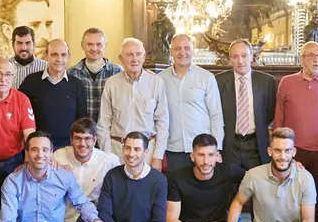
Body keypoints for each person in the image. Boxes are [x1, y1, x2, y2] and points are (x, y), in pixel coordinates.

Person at [0, 132, 108, 222]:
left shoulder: (64, 176)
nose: (40, 155)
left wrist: (95, 219)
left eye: (45, 150)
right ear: (26, 152)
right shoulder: (13, 181)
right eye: (34, 150)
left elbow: (83, 203)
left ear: (51, 153)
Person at [224, 128, 318, 222]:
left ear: (294, 152)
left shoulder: (305, 178)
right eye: (278, 150)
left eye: (287, 151)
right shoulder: (253, 175)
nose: (282, 156)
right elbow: (238, 202)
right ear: (269, 151)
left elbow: (308, 218)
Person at [160, 134, 251, 222]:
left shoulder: (229, 171)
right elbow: (172, 221)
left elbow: (253, 178)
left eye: (211, 155)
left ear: (217, 156)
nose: (206, 161)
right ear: (192, 156)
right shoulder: (177, 178)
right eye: (201, 155)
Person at [274, 41, 318, 178]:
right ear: (301, 59)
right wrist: (277, 146)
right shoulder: (286, 82)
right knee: (292, 193)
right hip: (293, 149)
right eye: (311, 56)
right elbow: (279, 117)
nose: (316, 60)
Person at [97, 38, 169, 170]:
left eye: (138, 54)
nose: (134, 59)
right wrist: (107, 157)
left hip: (147, 151)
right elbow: (103, 123)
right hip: (118, 151)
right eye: (129, 55)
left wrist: (157, 156)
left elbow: (163, 122)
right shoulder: (112, 83)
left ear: (144, 56)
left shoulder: (156, 82)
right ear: (120, 59)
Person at [158, 34, 224, 172]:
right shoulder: (159, 80)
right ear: (171, 52)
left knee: (204, 191)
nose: (182, 52)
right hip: (173, 151)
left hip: (203, 151)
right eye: (177, 49)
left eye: (186, 48)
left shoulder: (207, 77)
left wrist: (216, 150)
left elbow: (216, 116)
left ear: (192, 51)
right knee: (177, 192)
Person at [90, 132, 167, 222]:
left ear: (146, 152)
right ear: (123, 149)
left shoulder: (159, 180)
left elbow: (159, 219)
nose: (131, 154)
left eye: (137, 149)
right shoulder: (112, 175)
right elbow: (103, 211)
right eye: (127, 148)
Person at [52, 118, 120, 222]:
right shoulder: (59, 156)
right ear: (71, 140)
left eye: (87, 138)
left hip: (94, 219)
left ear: (94, 140)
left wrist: (100, 204)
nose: (82, 144)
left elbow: (119, 195)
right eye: (77, 138)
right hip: (63, 220)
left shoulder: (109, 161)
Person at [215, 39, 276, 171]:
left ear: (252, 56)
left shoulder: (266, 81)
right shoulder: (218, 81)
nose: (240, 61)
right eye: (235, 57)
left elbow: (270, 112)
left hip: (256, 143)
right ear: (230, 59)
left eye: (244, 56)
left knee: (257, 186)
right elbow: (214, 114)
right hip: (230, 144)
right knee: (228, 186)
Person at [19, 39, 88, 151]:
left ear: (68, 56)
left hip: (69, 149)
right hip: (39, 149)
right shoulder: (30, 82)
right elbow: (20, 116)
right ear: (46, 56)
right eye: (54, 54)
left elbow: (82, 121)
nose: (59, 59)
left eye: (63, 55)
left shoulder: (77, 85)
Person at [68, 28, 124, 123]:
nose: (94, 49)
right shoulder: (72, 73)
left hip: (110, 132)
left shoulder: (117, 71)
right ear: (82, 46)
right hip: (83, 134)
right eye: (90, 44)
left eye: (98, 44)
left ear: (105, 46)